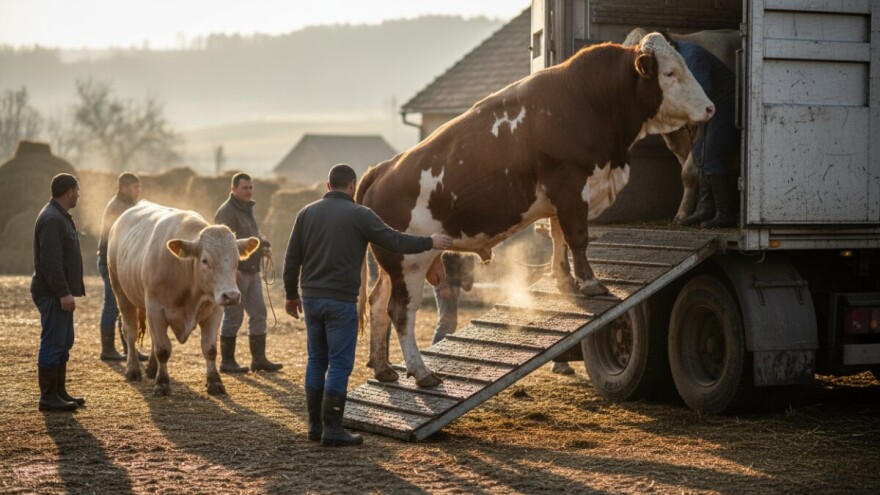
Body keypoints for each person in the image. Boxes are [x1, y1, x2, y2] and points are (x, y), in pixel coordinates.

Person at [283, 164, 452, 447]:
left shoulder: (306, 213)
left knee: (316, 360)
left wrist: (291, 295)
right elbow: (394, 241)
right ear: (352, 186)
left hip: (311, 299)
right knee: (339, 363)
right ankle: (333, 429)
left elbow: (291, 259)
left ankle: (314, 425)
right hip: (340, 301)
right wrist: (429, 242)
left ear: (328, 186)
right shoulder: (360, 215)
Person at [215, 172, 282, 373]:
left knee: (259, 313)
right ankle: (227, 361)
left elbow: (253, 235)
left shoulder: (248, 208)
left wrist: (263, 243)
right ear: (233, 189)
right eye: (245, 188)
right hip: (237, 273)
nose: (249, 191)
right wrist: (229, 274)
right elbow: (223, 245)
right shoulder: (226, 213)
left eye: (251, 187)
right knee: (233, 316)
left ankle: (259, 360)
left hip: (253, 271)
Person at [670, 34, 739, 228]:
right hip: (712, 106)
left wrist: (684, 113)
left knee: (712, 156)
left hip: (725, 105)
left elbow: (704, 91)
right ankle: (705, 209)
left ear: (668, 47)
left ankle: (726, 214)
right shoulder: (679, 59)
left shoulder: (691, 57)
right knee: (700, 154)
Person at [32, 173, 85, 412]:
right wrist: (64, 292)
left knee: (63, 342)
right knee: (53, 342)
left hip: (58, 292)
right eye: (77, 190)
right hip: (53, 293)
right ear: (69, 192)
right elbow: (51, 262)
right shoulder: (53, 219)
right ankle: (48, 397)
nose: (79, 195)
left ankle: (59, 392)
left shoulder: (58, 216)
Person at [97, 172, 147, 362]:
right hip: (111, 261)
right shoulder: (119, 208)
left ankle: (129, 348)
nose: (138, 191)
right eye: (135, 188)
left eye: (139, 187)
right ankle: (108, 349)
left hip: (119, 260)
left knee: (125, 305)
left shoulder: (128, 206)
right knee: (113, 304)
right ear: (124, 188)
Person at [431, 252, 475, 345]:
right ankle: (434, 353)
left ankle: (441, 352)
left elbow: (468, 257)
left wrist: (467, 280)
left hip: (454, 284)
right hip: (446, 284)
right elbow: (434, 257)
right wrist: (441, 285)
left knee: (451, 323)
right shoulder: (446, 239)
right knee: (446, 323)